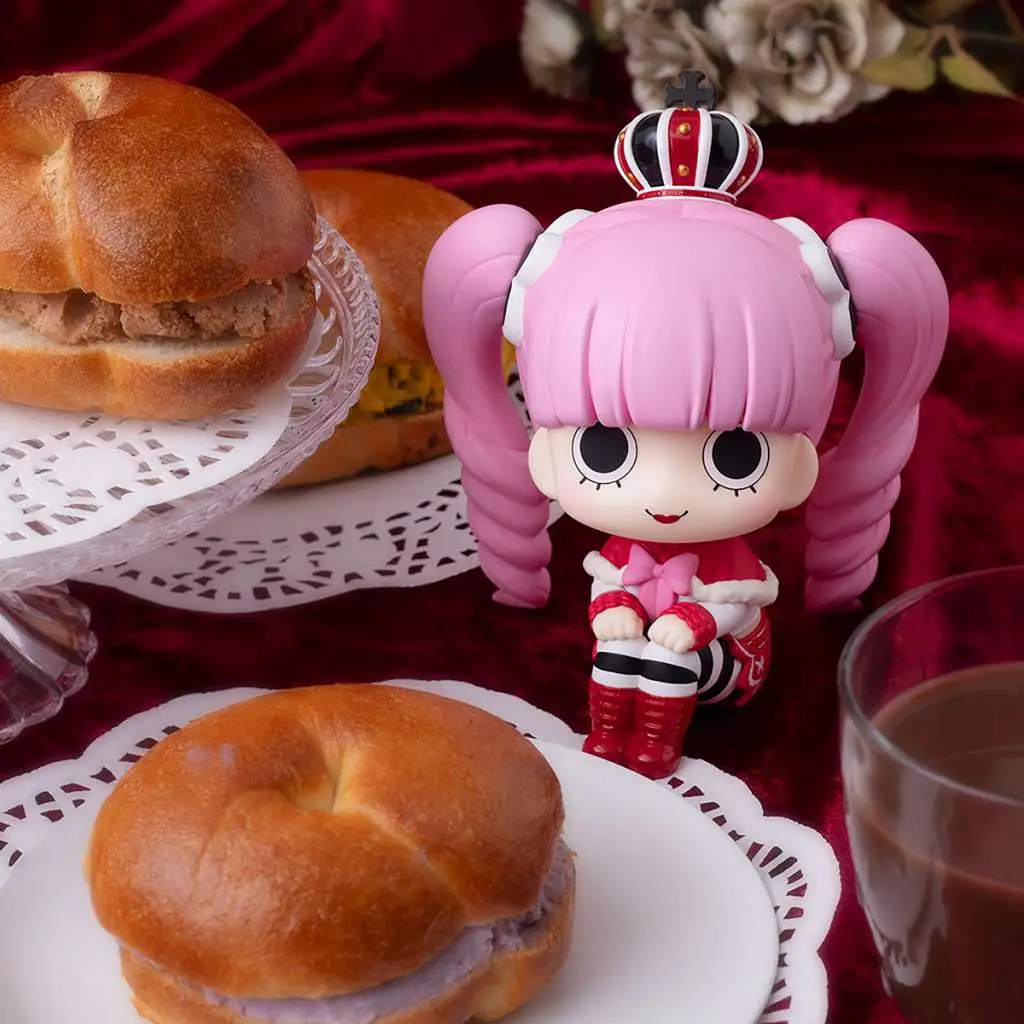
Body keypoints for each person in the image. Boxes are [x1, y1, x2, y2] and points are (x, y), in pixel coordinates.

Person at [422, 74, 948, 779]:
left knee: (667, 658)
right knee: (620, 650)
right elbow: (611, 588)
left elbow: (735, 609)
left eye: (735, 455)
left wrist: (692, 622)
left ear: (801, 463)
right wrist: (614, 607)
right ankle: (609, 736)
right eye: (604, 449)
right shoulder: (625, 547)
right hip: (653, 642)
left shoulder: (726, 559)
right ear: (544, 454)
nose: (664, 495)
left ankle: (656, 747)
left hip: (727, 661)